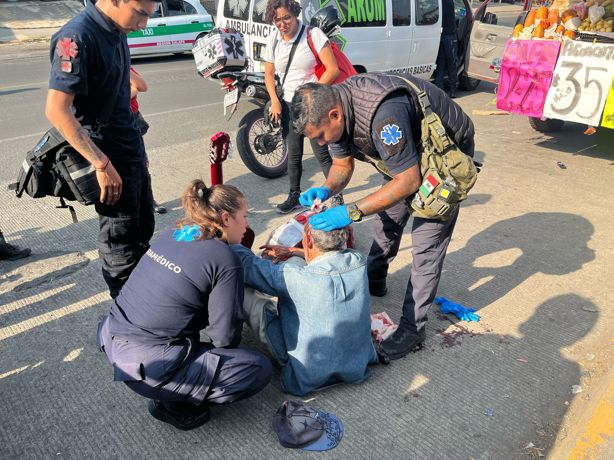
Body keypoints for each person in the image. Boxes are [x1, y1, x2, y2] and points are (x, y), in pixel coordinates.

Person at [291, 73, 475, 360]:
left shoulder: (383, 115)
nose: (322, 143)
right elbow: (341, 164)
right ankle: (375, 278)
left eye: (321, 136)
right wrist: (325, 190)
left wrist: (351, 211)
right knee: (387, 216)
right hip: (407, 155)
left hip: (445, 151)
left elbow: (409, 181)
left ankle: (413, 328)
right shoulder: (336, 114)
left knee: (427, 242)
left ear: (335, 114)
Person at [96, 179, 272, 430]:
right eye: (244, 216)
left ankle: (172, 385)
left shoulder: (174, 232)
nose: (247, 224)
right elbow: (224, 339)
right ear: (226, 218)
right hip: (150, 369)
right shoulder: (225, 259)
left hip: (113, 339)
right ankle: (176, 405)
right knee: (256, 369)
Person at [44, 0, 156, 298]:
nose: (143, 24)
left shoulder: (117, 29)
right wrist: (102, 165)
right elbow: (57, 111)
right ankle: (125, 323)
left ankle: (141, 309)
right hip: (109, 162)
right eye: (141, 13)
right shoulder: (77, 37)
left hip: (131, 154)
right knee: (120, 249)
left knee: (142, 232)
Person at [231, 221, 378, 396]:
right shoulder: (358, 260)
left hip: (307, 375)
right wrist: (294, 252)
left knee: (247, 294)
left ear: (308, 241)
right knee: (295, 260)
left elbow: (249, 265)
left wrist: (225, 242)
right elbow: (326, 259)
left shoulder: (293, 277)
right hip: (356, 366)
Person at [263, 0, 341, 214]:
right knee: (294, 154)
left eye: (286, 18)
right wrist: (275, 101)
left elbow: (332, 69)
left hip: (312, 104)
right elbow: (268, 74)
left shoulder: (313, 34)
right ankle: (294, 195)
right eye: (277, 19)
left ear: (296, 14)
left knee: (322, 154)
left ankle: (335, 196)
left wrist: (312, 96)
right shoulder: (274, 39)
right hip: (288, 103)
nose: (282, 24)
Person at [129, 66, 167, 214]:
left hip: (130, 119)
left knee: (142, 162)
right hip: (109, 123)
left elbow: (140, 86)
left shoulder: (122, 63)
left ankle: (148, 200)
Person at [433, 0, 459, 98]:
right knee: (451, 65)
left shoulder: (438, 3)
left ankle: (439, 89)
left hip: (440, 37)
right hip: (450, 37)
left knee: (440, 64)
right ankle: (453, 90)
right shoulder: (450, 2)